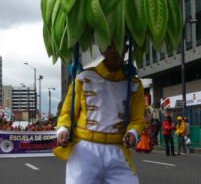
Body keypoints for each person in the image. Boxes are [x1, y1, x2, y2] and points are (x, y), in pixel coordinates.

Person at [53, 37, 146, 184]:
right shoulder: (83, 78)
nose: (114, 52)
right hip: (84, 151)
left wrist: (133, 131)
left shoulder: (134, 85)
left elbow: (138, 120)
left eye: (119, 46)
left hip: (117, 150)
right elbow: (67, 113)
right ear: (102, 49)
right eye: (109, 47)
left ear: (127, 49)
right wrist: (63, 129)